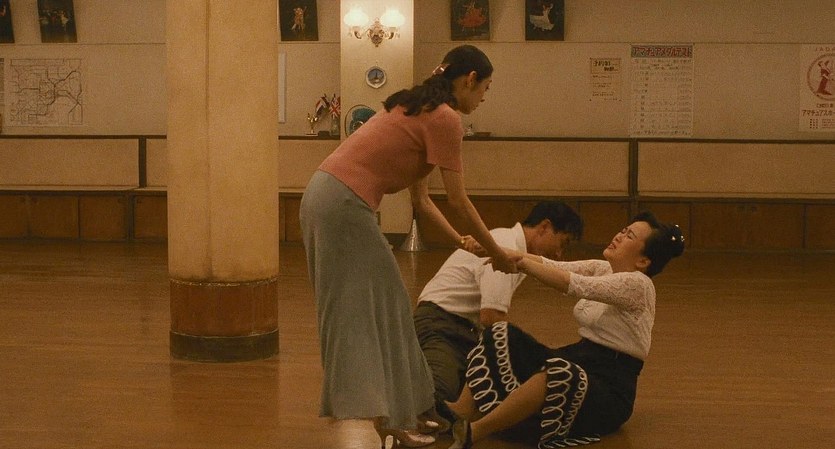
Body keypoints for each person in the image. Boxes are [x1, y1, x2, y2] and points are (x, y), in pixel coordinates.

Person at [300, 45, 516, 449]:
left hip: (327, 195)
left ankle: (409, 410)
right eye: (485, 88)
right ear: (469, 79)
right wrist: (499, 253)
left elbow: (423, 201)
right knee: (379, 308)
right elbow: (459, 201)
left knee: (390, 306)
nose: (484, 97)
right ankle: (395, 417)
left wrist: (461, 242)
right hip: (341, 202)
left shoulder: (420, 109)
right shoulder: (446, 118)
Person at [446, 211, 685, 449]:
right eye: (623, 230)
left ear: (643, 261)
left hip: (610, 386)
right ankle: (460, 412)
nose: (619, 236)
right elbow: (551, 264)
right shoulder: (603, 268)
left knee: (557, 372)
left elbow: (572, 283)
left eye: (629, 236)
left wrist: (519, 263)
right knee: (499, 333)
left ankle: (475, 431)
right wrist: (494, 250)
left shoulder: (639, 284)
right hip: (580, 357)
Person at [413, 201, 583, 428]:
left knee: (490, 393)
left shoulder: (513, 246)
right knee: (435, 399)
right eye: (563, 243)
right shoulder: (504, 246)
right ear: (544, 227)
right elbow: (491, 317)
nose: (560, 254)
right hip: (441, 326)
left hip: (461, 331)